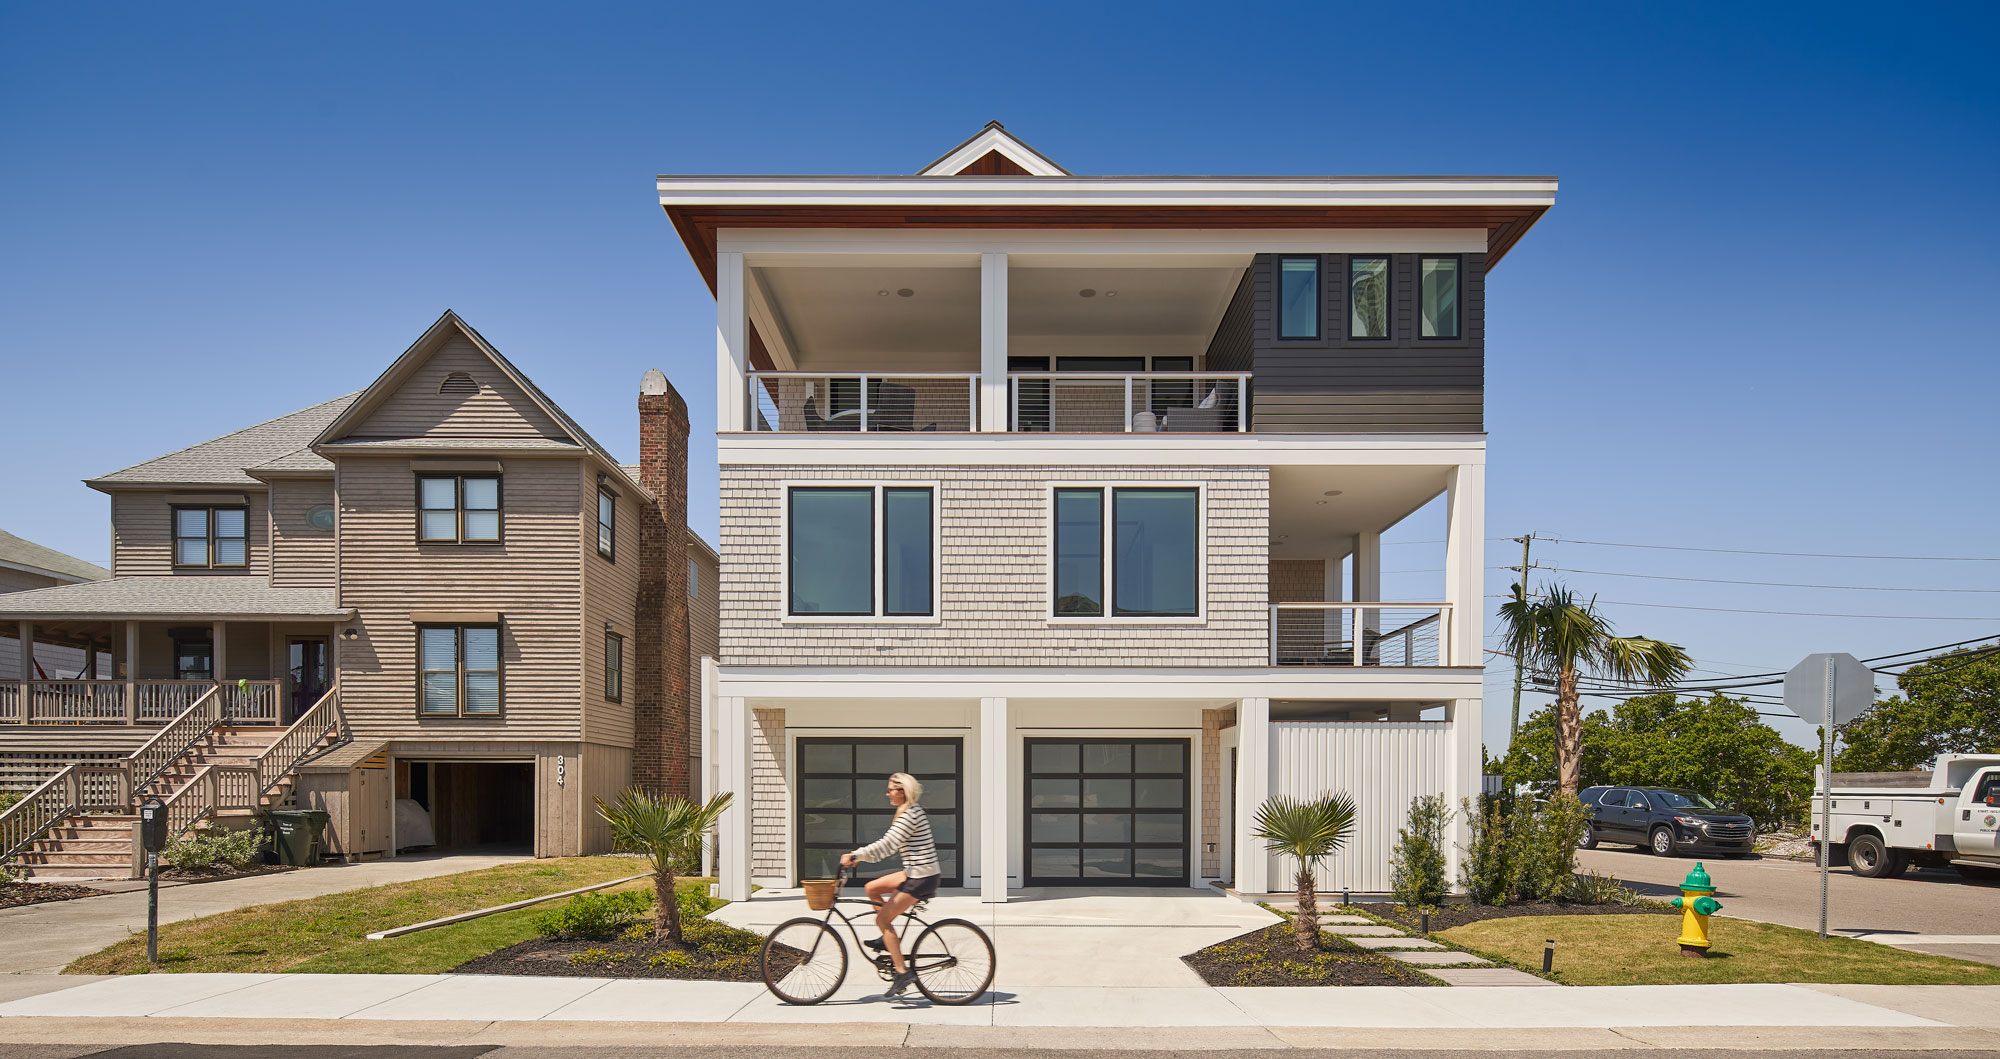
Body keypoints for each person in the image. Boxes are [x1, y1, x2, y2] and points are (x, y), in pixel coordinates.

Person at [840, 771, 939, 997]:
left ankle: (902, 972)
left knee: (882, 918)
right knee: (871, 888)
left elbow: (887, 846)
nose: (887, 794)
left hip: (921, 877)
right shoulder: (908, 811)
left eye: (891, 790)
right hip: (915, 872)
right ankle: (888, 939)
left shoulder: (909, 815)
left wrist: (855, 855)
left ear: (902, 792)